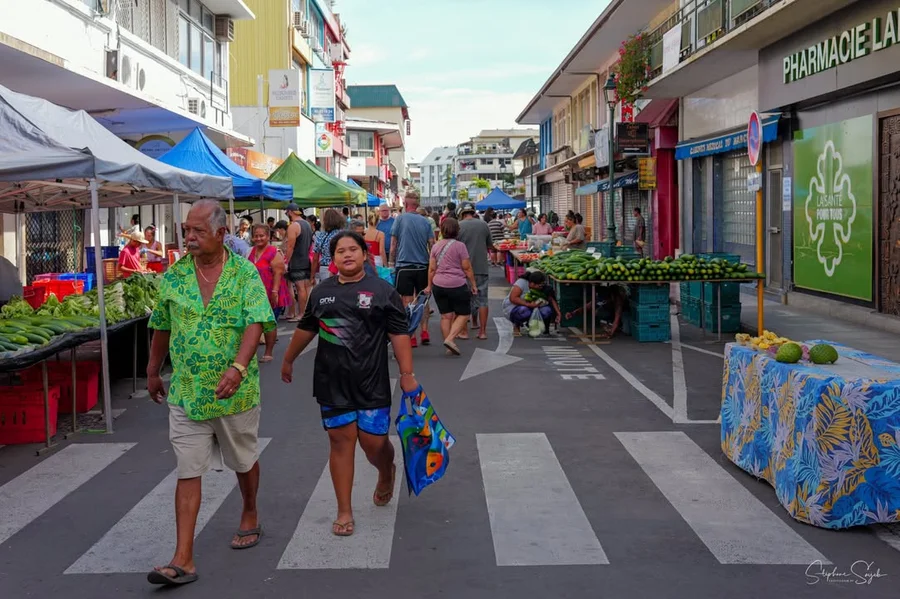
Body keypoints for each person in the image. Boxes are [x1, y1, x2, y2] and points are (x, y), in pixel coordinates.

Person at [146, 200, 275, 587]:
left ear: (221, 233)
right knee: (188, 470)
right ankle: (183, 558)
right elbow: (162, 326)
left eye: (198, 231)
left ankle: (249, 509)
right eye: (187, 230)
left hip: (233, 392)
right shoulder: (175, 276)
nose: (189, 237)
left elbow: (256, 322)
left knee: (243, 459)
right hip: (187, 391)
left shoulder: (244, 273)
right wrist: (153, 370)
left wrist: (238, 367)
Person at [281, 231, 416, 537]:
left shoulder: (382, 291)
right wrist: (288, 359)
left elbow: (398, 334)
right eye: (340, 251)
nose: (347, 254)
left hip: (372, 381)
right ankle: (344, 511)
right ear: (333, 259)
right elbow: (306, 328)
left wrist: (407, 375)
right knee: (341, 442)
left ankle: (386, 471)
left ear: (364, 255)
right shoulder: (321, 293)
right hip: (332, 381)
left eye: (353, 249)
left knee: (374, 443)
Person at [424, 218, 476, 356]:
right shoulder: (460, 246)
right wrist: (473, 284)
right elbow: (467, 268)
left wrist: (429, 286)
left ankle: (449, 346)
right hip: (457, 284)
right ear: (457, 230)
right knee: (464, 313)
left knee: (445, 316)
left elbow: (431, 269)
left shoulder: (436, 246)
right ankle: (450, 339)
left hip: (438, 285)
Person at [389, 190, 434, 348]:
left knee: (406, 300)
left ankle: (411, 335)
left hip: (404, 265)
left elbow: (393, 244)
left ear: (406, 204)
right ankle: (425, 331)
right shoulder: (426, 221)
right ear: (417, 205)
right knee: (423, 299)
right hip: (423, 265)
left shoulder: (400, 219)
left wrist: (390, 263)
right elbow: (432, 245)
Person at [249, 224, 292, 361]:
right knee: (255, 323)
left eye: (261, 235)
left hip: (272, 291)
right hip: (255, 293)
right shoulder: (251, 251)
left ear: (268, 236)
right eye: (256, 236)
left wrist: (274, 291)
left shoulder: (274, 251)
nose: (258, 238)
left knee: (269, 322)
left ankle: (268, 352)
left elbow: (278, 273)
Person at [457, 202, 494, 340]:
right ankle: (482, 331)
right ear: (473, 212)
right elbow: (490, 245)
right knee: (482, 300)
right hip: (481, 268)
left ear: (461, 213)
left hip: (463, 269)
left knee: (464, 301)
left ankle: (464, 332)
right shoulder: (483, 225)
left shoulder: (459, 226)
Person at [502, 271, 561, 336]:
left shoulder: (541, 287)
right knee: (524, 310)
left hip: (532, 308)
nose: (541, 287)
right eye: (539, 285)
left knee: (547, 310)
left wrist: (558, 313)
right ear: (532, 284)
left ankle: (534, 326)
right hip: (513, 308)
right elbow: (513, 298)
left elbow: (551, 299)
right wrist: (529, 304)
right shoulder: (522, 282)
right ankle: (516, 325)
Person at [283, 203, 314, 322]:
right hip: (306, 260)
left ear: (290, 212)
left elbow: (290, 246)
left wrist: (286, 261)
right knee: (305, 288)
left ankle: (301, 314)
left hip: (297, 261)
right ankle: (304, 313)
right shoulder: (307, 224)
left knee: (300, 288)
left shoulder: (293, 226)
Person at [312, 208, 345, 283]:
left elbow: (315, 258)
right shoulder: (343, 234)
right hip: (340, 266)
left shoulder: (321, 235)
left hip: (324, 268)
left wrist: (312, 275)